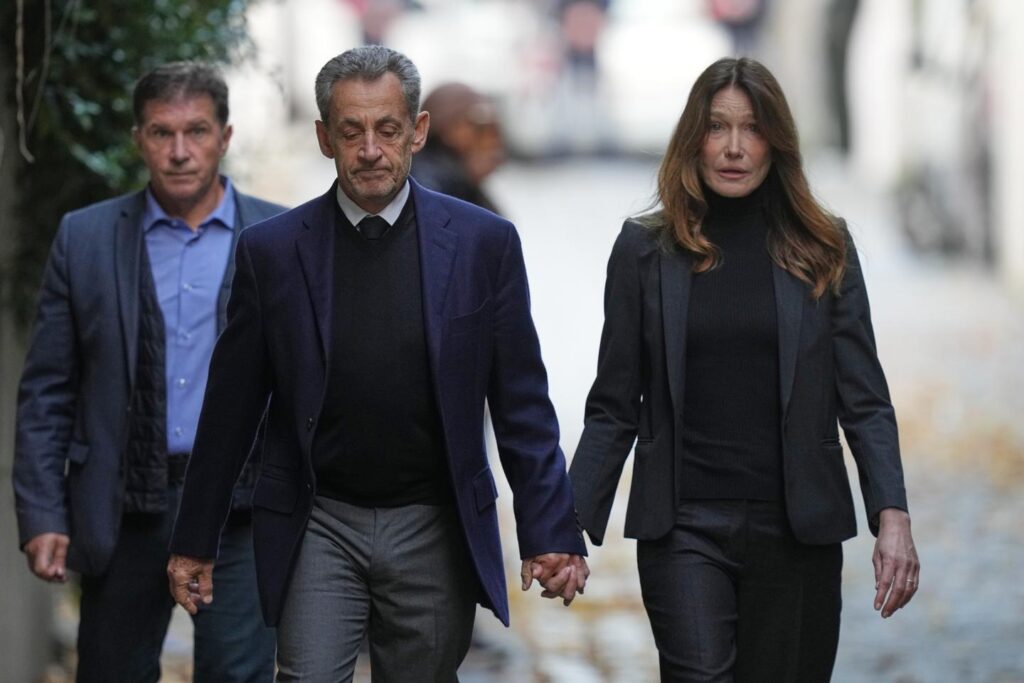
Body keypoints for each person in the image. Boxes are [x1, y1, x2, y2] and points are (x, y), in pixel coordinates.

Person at [166, 45, 588, 682]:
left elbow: (521, 403)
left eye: (388, 129)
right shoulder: (272, 253)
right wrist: (194, 540)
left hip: (434, 523)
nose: (370, 150)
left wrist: (550, 529)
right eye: (351, 131)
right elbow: (231, 409)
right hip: (319, 522)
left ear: (417, 131)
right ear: (324, 138)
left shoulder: (483, 244)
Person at [569, 57, 919, 681]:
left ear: (776, 142)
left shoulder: (823, 247)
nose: (734, 148)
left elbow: (864, 398)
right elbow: (613, 404)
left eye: (752, 128)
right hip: (684, 529)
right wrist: (566, 524)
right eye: (717, 127)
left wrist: (891, 513)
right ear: (692, 139)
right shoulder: (645, 251)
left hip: (797, 530)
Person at [12, 62, 282, 682]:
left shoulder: (280, 234)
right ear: (138, 139)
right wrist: (43, 513)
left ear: (225, 136)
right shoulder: (85, 238)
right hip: (123, 506)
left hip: (241, 511)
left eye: (197, 131)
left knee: (238, 676)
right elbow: (48, 390)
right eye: (162, 132)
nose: (180, 151)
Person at [411, 82, 505, 214]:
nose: (490, 140)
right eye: (479, 127)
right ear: (448, 128)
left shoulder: (460, 178)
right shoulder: (427, 182)